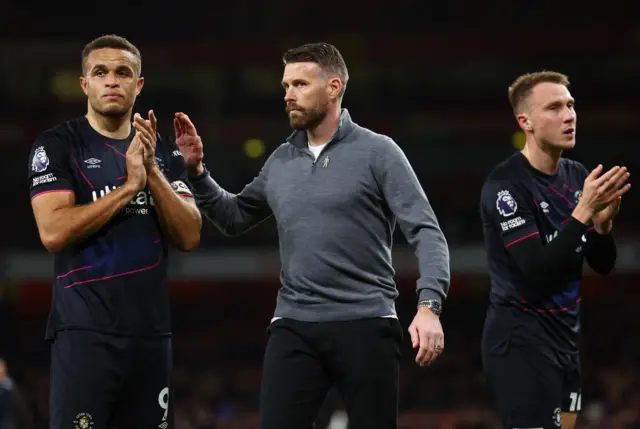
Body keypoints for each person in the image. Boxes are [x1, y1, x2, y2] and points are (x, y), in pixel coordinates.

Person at [174, 41, 450, 429]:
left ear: (334, 87)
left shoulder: (379, 152)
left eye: (300, 84)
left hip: (367, 320)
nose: (288, 94)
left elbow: (427, 231)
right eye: (286, 86)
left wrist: (429, 306)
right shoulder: (281, 160)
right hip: (294, 324)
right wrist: (198, 173)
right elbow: (234, 217)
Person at [27, 34, 202, 429]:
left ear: (138, 85)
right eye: (100, 72)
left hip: (151, 336)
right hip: (85, 334)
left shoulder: (160, 150)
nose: (112, 81)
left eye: (123, 73)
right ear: (84, 84)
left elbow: (190, 234)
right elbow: (53, 231)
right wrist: (128, 188)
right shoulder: (57, 145)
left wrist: (152, 173)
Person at [479, 71, 630, 429]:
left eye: (571, 105)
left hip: (565, 342)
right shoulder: (506, 185)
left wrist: (602, 225)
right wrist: (582, 213)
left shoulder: (577, 176)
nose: (569, 115)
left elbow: (602, 263)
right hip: (520, 343)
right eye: (555, 107)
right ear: (525, 121)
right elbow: (536, 269)